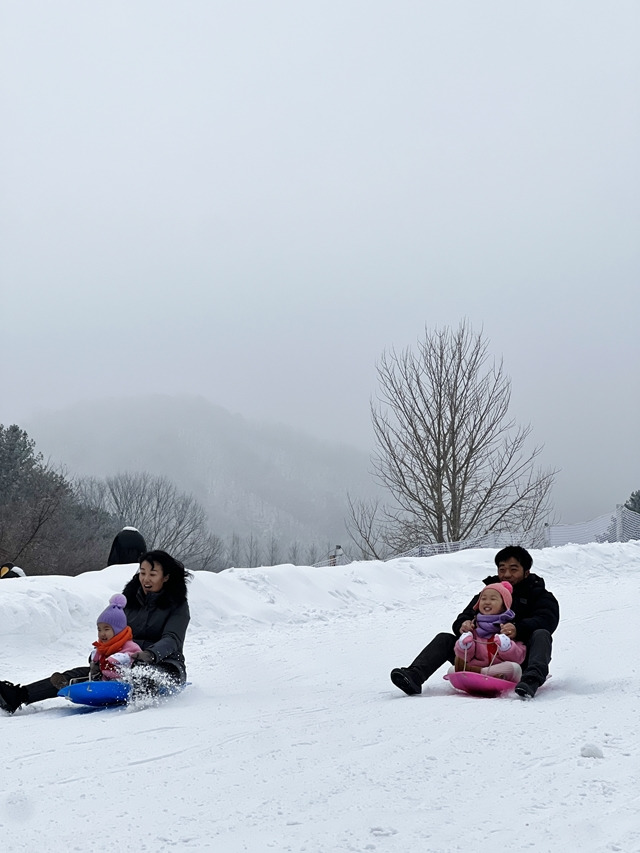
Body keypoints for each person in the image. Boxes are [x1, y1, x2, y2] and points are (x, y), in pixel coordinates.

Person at [0, 550, 191, 714]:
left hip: (166, 664)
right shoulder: (130, 602)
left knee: (143, 674)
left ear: (166, 577)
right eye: (142, 573)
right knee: (79, 674)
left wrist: (149, 654)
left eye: (152, 574)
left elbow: (172, 638)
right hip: (126, 660)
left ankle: (140, 703)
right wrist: (100, 656)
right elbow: (115, 634)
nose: (146, 579)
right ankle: (18, 695)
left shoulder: (178, 605)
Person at [390, 545, 559, 699]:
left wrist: (518, 628)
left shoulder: (539, 595)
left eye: (513, 569)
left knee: (541, 635)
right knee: (445, 639)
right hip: (479, 655)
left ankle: (530, 681)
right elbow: (465, 615)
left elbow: (547, 620)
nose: (507, 574)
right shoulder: (488, 593)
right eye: (502, 569)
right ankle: (414, 676)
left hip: (517, 659)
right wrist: (463, 625)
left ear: (526, 572)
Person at [450, 580, 527, 682]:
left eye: (493, 599)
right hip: (476, 667)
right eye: (483, 599)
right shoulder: (473, 626)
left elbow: (519, 657)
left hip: (500, 670)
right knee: (451, 670)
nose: (487, 602)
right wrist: (465, 646)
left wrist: (507, 647)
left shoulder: (508, 627)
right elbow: (465, 658)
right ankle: (483, 673)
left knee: (515, 668)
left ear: (504, 605)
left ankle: (481, 673)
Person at [86, 594, 142, 682]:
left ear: (118, 630)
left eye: (106, 629)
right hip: (105, 681)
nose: (102, 634)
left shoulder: (129, 645)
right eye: (99, 630)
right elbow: (96, 657)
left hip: (125, 682)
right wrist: (94, 662)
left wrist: (118, 658)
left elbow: (135, 657)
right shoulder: (102, 647)